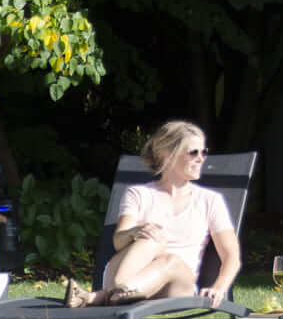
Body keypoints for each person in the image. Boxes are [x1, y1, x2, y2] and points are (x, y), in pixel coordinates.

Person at [66, 120, 240, 308]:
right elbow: (118, 242)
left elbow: (231, 255)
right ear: (167, 154)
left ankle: (100, 297)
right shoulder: (139, 194)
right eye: (193, 152)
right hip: (126, 273)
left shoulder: (210, 200)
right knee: (152, 238)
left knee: (170, 260)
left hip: (176, 284)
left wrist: (219, 288)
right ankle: (118, 294)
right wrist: (135, 232)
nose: (201, 158)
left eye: (203, 152)